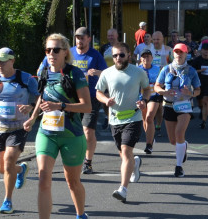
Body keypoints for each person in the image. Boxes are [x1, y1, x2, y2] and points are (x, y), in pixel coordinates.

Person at [24, 34, 92, 219]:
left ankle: (81, 217)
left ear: (65, 52)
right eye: (47, 50)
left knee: (73, 182)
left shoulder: (75, 73)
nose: (51, 54)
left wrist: (61, 107)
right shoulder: (43, 72)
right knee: (44, 179)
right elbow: (42, 97)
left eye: (55, 50)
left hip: (71, 135)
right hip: (47, 133)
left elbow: (87, 107)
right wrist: (33, 117)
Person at [0, 47, 39, 214]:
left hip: (19, 128)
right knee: (1, 168)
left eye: (3, 61)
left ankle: (8, 200)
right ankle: (21, 169)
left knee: (8, 162)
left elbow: (39, 97)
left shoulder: (26, 79)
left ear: (12, 61)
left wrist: (31, 107)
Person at [95, 41, 150, 202]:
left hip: (133, 117)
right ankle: (135, 163)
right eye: (114, 55)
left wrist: (144, 101)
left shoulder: (138, 72)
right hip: (115, 119)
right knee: (124, 154)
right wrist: (105, 100)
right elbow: (98, 92)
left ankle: (123, 189)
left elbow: (147, 89)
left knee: (126, 152)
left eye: (121, 55)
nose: (117, 58)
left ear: (129, 56)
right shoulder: (106, 73)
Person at [154, 43, 200, 178]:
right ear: (173, 54)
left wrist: (190, 92)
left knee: (180, 132)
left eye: (182, 52)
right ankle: (183, 145)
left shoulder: (191, 70)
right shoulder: (166, 69)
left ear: (186, 54)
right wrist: (163, 91)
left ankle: (179, 166)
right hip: (168, 105)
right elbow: (157, 86)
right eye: (177, 52)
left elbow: (198, 90)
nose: (179, 55)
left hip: (185, 105)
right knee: (173, 141)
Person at [70, 27, 107, 174]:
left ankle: (88, 162)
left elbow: (106, 73)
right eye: (77, 37)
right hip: (72, 97)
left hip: (90, 97)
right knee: (72, 130)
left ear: (89, 39)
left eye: (82, 37)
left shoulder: (95, 55)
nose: (79, 40)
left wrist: (97, 72)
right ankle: (74, 158)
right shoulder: (70, 53)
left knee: (88, 131)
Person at [138, 48, 163, 154]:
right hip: (141, 97)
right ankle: (150, 137)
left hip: (154, 96)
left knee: (149, 118)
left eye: (148, 56)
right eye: (144, 56)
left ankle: (149, 145)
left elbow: (162, 82)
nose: (146, 58)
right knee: (144, 120)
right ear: (140, 59)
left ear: (152, 58)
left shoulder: (157, 69)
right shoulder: (137, 70)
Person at [188, 40, 208, 129]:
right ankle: (202, 110)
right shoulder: (197, 60)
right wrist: (200, 71)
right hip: (199, 83)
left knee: (205, 101)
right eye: (204, 49)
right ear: (201, 50)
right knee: (200, 102)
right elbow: (191, 71)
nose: (206, 51)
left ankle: (204, 121)